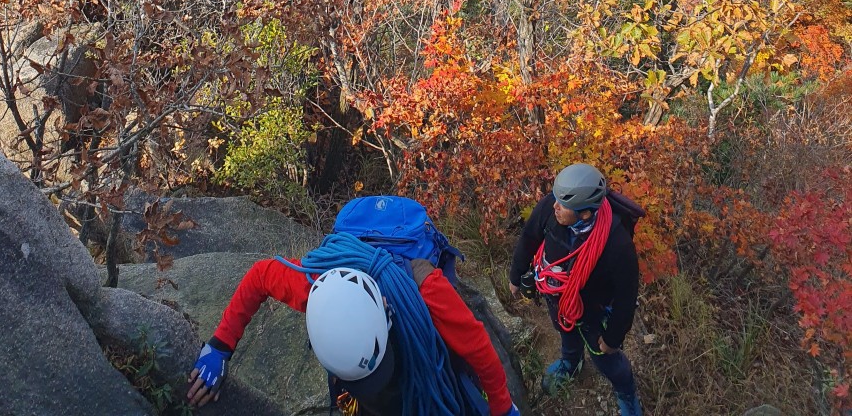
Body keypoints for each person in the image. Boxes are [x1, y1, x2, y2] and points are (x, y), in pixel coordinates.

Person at [187, 235, 521, 416]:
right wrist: (220, 346)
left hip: (418, 360)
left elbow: (478, 346)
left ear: (387, 310)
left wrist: (502, 405)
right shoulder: (317, 289)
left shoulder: (426, 291)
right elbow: (260, 276)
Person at [508, 163, 642, 416]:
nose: (553, 205)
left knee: (607, 361)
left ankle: (626, 391)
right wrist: (516, 275)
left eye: (562, 204)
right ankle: (571, 362)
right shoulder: (552, 206)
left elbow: (627, 294)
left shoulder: (617, 243)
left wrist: (613, 339)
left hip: (593, 310)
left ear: (585, 214)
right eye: (555, 198)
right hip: (558, 300)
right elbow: (529, 237)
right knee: (565, 332)